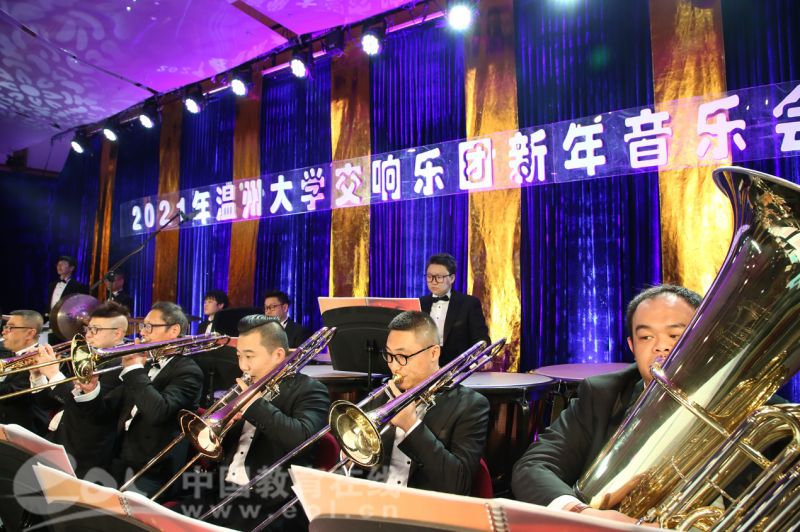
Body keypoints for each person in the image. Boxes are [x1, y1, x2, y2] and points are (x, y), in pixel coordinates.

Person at [511, 284, 702, 522]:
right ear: (632, 347)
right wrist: (583, 515)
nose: (660, 347)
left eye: (675, 335)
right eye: (646, 337)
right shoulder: (602, 395)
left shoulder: (738, 395)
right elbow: (533, 467)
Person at [194, 315, 329, 531]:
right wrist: (224, 428)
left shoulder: (310, 390)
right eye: (239, 356)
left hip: (270, 501)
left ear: (278, 355)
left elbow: (302, 440)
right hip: (219, 490)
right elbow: (217, 450)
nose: (243, 366)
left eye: (249, 356)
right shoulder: (242, 386)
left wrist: (255, 405)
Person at [353, 311, 490, 496]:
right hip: (376, 502)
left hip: (426, 508)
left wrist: (411, 426)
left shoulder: (471, 406)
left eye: (402, 356)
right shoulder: (382, 397)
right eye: (389, 355)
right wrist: (351, 457)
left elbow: (458, 484)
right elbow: (360, 473)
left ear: (434, 353)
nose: (394, 366)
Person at [75, 301, 203, 496]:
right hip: (118, 457)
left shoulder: (188, 372)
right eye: (143, 326)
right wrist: (90, 392)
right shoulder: (145, 363)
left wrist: (134, 369)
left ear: (174, 330)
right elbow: (107, 412)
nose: (142, 332)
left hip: (154, 469)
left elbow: (158, 412)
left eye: (149, 327)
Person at [32, 301, 129, 478]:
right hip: (60, 437)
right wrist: (38, 377)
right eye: (88, 329)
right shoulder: (86, 354)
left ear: (117, 334)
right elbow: (49, 403)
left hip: (84, 451)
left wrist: (53, 374)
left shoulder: (122, 364)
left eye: (95, 330)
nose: (88, 334)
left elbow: (92, 412)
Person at [419, 253, 490, 366]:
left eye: (439, 277)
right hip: (425, 366)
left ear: (452, 278)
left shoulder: (469, 303)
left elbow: (480, 337)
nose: (433, 281)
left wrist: (482, 355)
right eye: (429, 276)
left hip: (458, 367)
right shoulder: (420, 303)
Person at [0, 310, 49, 434]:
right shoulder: (6, 355)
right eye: (5, 327)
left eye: (10, 327)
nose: (4, 331)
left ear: (29, 333)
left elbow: (13, 393)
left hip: (27, 433)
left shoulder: (43, 359)